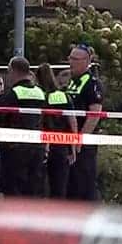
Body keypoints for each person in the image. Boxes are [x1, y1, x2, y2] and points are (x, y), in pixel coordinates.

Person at [0, 57, 46, 197]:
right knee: (33, 191)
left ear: (13, 71)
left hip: (15, 149)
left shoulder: (11, 94)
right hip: (37, 148)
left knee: (13, 191)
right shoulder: (40, 92)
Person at [65, 43, 104, 201]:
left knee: (84, 186)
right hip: (69, 143)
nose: (70, 62)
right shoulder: (73, 81)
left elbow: (94, 114)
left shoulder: (92, 83)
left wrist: (80, 140)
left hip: (82, 146)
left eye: (74, 59)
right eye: (70, 58)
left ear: (85, 61)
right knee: (72, 187)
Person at [36, 64, 78, 198]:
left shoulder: (38, 96)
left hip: (41, 146)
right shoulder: (64, 96)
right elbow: (72, 122)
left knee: (39, 188)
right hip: (61, 146)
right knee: (59, 189)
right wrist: (73, 148)